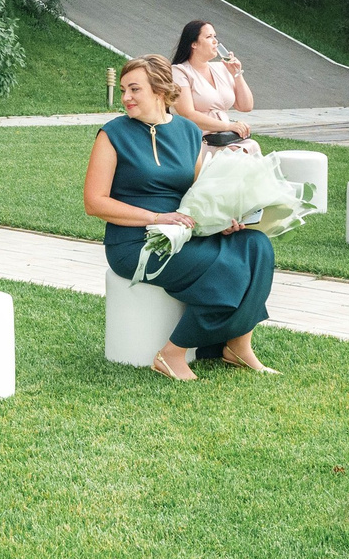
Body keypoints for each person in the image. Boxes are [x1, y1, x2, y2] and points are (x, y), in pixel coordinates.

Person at [84, 56, 280, 382]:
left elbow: (199, 190)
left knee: (256, 246)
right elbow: (94, 203)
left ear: (160, 90)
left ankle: (238, 345)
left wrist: (223, 220)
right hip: (136, 241)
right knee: (226, 269)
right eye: (123, 90)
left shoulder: (188, 131)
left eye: (135, 89)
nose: (126, 97)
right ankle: (172, 353)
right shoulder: (113, 134)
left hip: (185, 230)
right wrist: (157, 217)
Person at [170, 20, 260, 154]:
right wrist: (228, 126)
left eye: (215, 36)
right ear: (194, 44)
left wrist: (237, 74)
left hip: (223, 137)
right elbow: (188, 114)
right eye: (209, 37)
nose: (215, 41)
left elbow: (246, 106)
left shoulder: (221, 68)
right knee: (235, 152)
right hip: (196, 138)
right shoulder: (179, 71)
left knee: (251, 146)